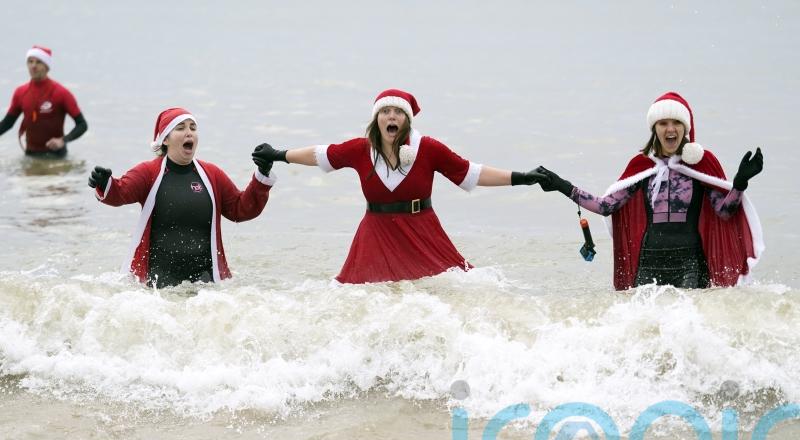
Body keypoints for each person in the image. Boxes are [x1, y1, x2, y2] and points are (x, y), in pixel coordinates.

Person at [251, 88, 544, 284]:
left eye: (398, 112)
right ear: (377, 119)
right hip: (376, 232)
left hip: (421, 230)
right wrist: (278, 155)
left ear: (406, 121)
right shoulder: (360, 148)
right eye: (385, 112)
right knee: (360, 293)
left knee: (451, 286)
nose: (391, 116)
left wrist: (523, 177)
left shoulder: (428, 148)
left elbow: (472, 173)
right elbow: (319, 154)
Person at [535, 92, 764, 290]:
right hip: (649, 260)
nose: (670, 129)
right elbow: (605, 206)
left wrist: (740, 184)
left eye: (676, 122)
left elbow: (724, 212)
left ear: (685, 127)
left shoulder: (700, 164)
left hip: (690, 262)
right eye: (663, 123)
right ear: (655, 128)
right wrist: (561, 185)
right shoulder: (642, 165)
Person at [88, 107, 276, 287]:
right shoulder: (148, 172)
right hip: (157, 287)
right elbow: (121, 193)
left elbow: (240, 209)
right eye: (180, 128)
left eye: (193, 128)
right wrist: (104, 184)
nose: (189, 133)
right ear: (165, 139)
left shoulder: (212, 174)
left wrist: (262, 175)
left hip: (207, 285)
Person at [0, 45, 88, 157]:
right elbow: (7, 124)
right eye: (30, 61)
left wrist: (63, 140)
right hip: (30, 155)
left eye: (38, 62)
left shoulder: (61, 93)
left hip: (56, 157)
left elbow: (82, 124)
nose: (33, 66)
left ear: (47, 66)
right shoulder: (20, 92)